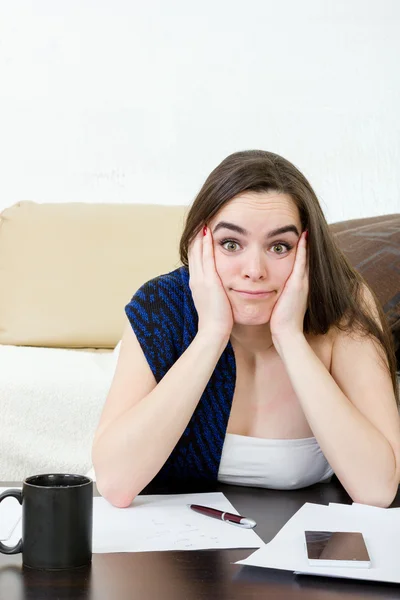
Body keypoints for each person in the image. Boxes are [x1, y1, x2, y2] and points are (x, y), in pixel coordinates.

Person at [92, 150, 400, 509]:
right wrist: (211, 334)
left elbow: (377, 489)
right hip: (180, 553)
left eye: (279, 246)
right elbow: (114, 484)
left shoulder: (344, 305)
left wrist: (289, 337)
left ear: (308, 250)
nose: (254, 269)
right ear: (199, 245)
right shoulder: (161, 305)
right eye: (231, 244)